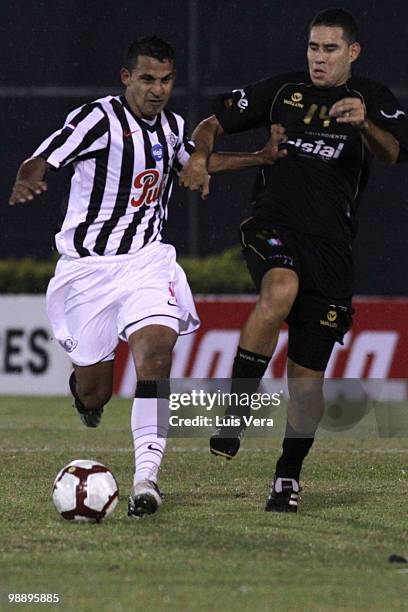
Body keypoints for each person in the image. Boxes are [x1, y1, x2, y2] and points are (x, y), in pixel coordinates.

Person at [9, 36, 282, 517]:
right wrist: (28, 177)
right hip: (86, 273)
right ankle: (85, 398)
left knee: (156, 351)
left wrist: (259, 157)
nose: (158, 90)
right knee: (97, 391)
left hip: (146, 263)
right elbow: (45, 155)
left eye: (167, 80)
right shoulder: (99, 119)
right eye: (148, 79)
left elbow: (197, 161)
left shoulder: (173, 128)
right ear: (127, 78)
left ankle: (147, 480)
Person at [180, 9, 408, 512]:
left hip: (331, 248)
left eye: (329, 49)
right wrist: (199, 155)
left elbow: (394, 152)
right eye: (312, 47)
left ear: (353, 52)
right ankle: (236, 410)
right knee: (279, 289)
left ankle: (287, 475)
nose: (318, 58)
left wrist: (363, 121)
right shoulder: (284, 91)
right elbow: (211, 123)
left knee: (306, 382)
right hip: (273, 223)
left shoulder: (371, 98)